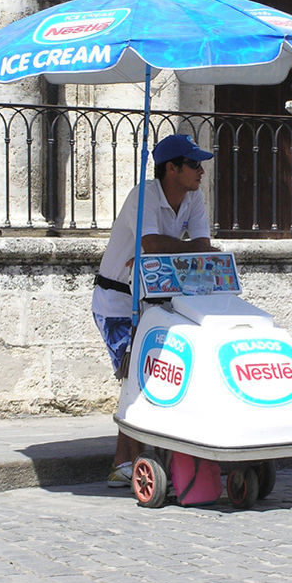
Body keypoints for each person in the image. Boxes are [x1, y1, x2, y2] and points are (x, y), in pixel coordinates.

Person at [92, 134, 218, 488]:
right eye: (193, 165)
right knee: (136, 373)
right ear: (171, 168)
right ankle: (126, 462)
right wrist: (181, 248)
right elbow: (152, 243)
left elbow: (204, 246)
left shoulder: (193, 198)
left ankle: (135, 459)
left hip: (159, 298)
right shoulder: (144, 196)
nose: (201, 172)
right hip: (118, 303)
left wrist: (171, 250)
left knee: (154, 373)